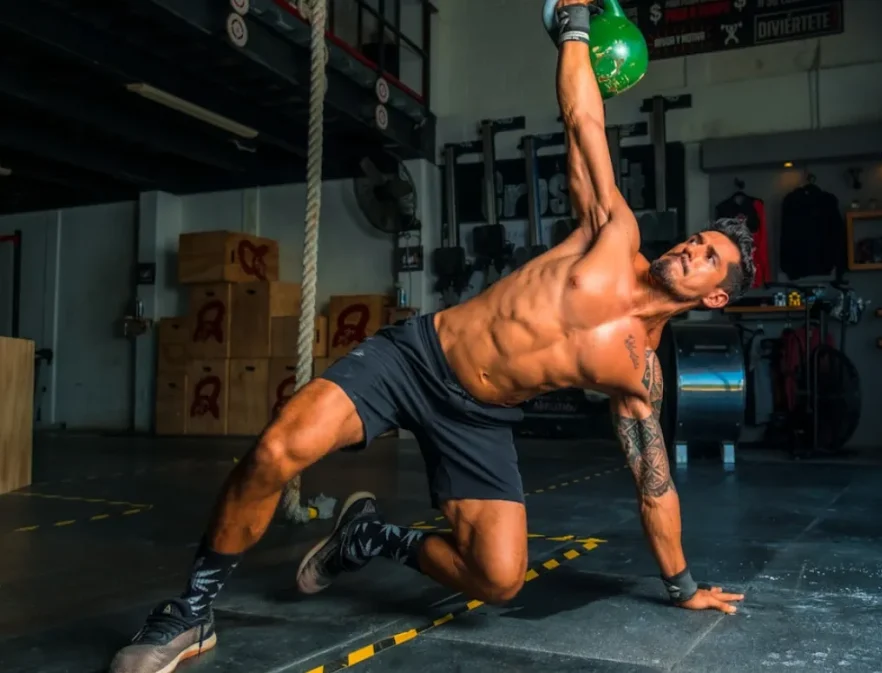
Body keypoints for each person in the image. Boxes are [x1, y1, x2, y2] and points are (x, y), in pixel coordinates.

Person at [109, 3, 754, 671]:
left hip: (479, 418)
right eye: (696, 239)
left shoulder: (638, 371)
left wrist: (681, 587)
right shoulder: (612, 233)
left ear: (713, 295)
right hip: (415, 358)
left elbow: (654, 483)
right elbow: (584, 120)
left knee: (500, 577)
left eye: (707, 257)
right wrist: (575, 25)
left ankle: (370, 536)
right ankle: (192, 610)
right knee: (278, 448)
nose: (688, 249)